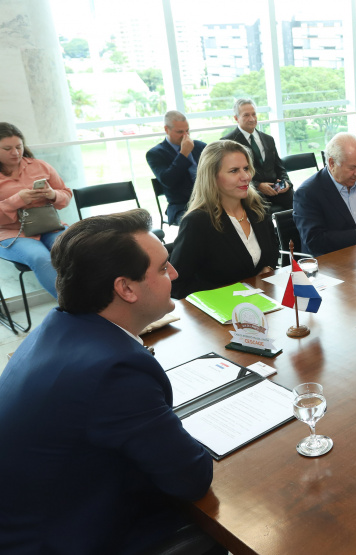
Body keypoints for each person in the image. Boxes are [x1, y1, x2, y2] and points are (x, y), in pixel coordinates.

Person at [0, 209, 215, 554]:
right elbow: (191, 478)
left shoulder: (56, 327)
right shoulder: (114, 371)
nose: (174, 273)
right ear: (126, 288)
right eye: (162, 267)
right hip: (64, 539)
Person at [170, 140, 279, 299]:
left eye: (246, 168)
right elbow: (177, 284)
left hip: (261, 302)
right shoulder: (197, 222)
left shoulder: (258, 208)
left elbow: (273, 249)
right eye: (234, 171)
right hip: (220, 313)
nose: (246, 177)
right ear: (212, 177)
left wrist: (268, 267)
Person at [0, 122, 73, 298]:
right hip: (11, 233)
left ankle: (98, 301)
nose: (16, 152)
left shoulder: (40, 166)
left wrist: (52, 194)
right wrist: (17, 200)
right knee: (41, 259)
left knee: (78, 249)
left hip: (49, 227)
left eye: (19, 146)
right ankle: (73, 308)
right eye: (7, 148)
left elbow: (66, 195)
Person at [294, 133, 356, 257]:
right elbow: (315, 240)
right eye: (353, 167)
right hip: (334, 263)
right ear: (332, 163)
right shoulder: (308, 193)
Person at [221, 99, 293, 211]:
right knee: (260, 209)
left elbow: (279, 167)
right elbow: (230, 175)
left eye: (254, 114)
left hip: (276, 190)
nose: (252, 119)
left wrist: (286, 182)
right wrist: (258, 185)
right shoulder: (227, 143)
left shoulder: (268, 139)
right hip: (250, 192)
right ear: (236, 118)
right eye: (246, 115)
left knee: (299, 202)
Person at [146, 110, 206, 224]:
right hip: (182, 205)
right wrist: (183, 154)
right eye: (179, 132)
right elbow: (168, 180)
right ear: (166, 129)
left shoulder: (200, 147)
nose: (185, 135)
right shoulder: (155, 154)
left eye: (187, 131)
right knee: (198, 222)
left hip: (208, 200)